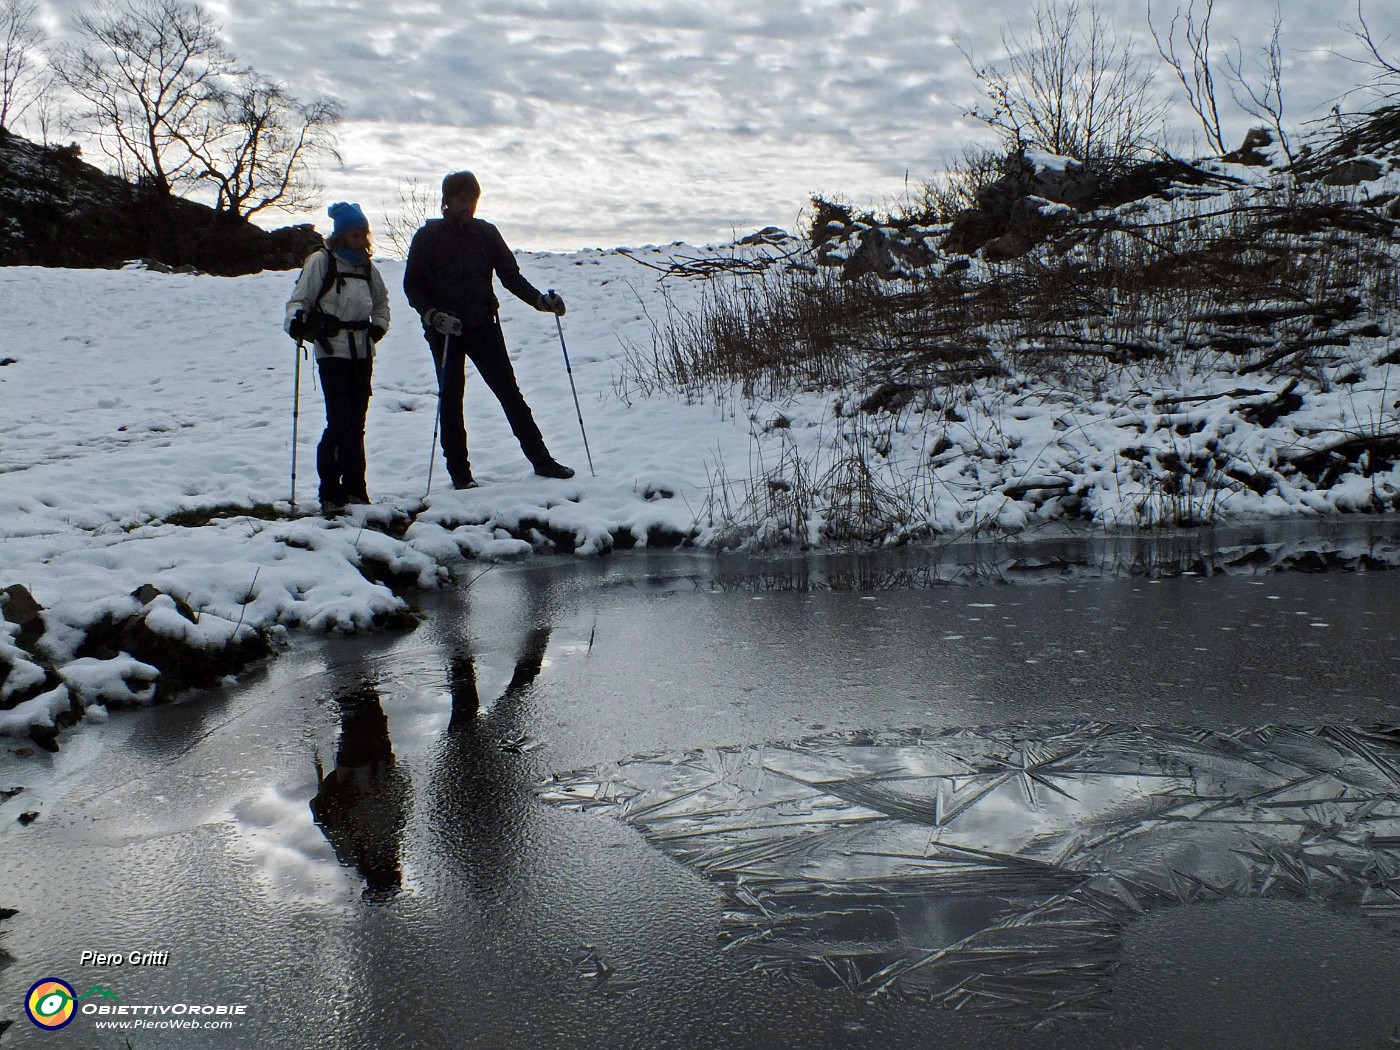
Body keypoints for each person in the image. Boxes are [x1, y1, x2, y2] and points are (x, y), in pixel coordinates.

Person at [403, 170, 573, 488]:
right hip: (445, 331)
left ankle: (542, 461)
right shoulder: (428, 237)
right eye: (461, 198)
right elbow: (412, 285)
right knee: (451, 398)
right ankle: (460, 475)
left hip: (483, 325)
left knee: (510, 393)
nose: (467, 204)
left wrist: (540, 301)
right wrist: (432, 315)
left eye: (473, 199)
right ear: (448, 201)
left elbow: (510, 276)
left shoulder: (486, 234)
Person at [284, 202, 391, 514]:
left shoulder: (368, 268)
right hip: (332, 351)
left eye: (363, 234)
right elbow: (299, 299)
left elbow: (382, 303)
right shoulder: (321, 261)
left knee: (356, 422)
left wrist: (377, 329)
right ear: (341, 236)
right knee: (340, 421)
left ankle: (356, 489)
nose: (360, 239)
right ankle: (331, 491)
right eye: (354, 234)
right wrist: (298, 323)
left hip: (361, 350)